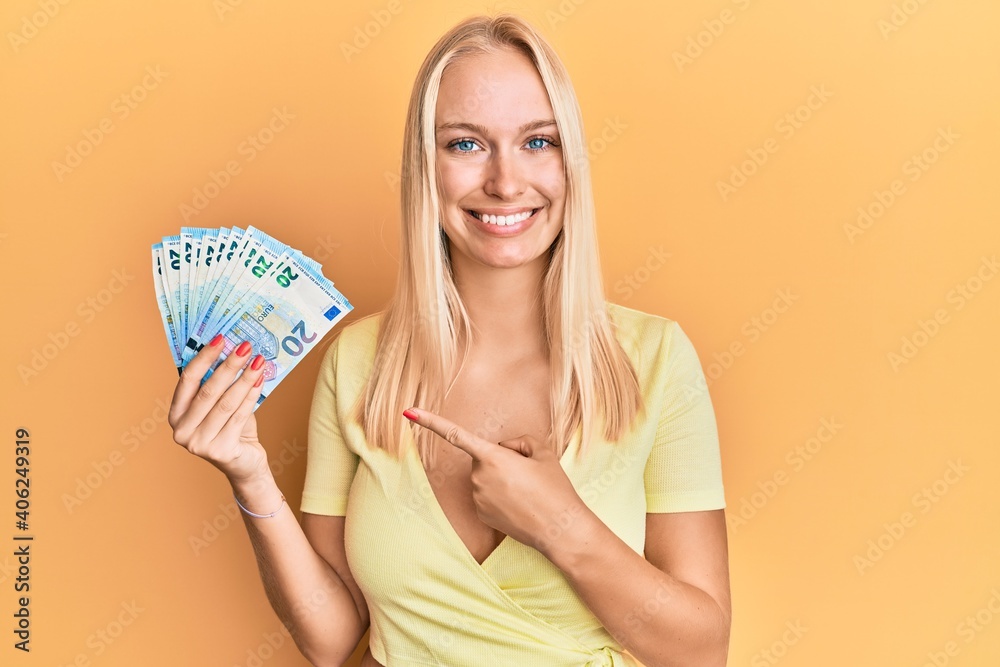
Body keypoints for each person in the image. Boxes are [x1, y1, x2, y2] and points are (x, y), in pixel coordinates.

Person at [168, 13, 730, 667]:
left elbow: (701, 651)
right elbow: (330, 637)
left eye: (537, 142)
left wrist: (559, 524)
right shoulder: (357, 362)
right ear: (423, 167)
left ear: (570, 159)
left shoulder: (656, 359)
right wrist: (249, 475)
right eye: (465, 144)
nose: (505, 181)